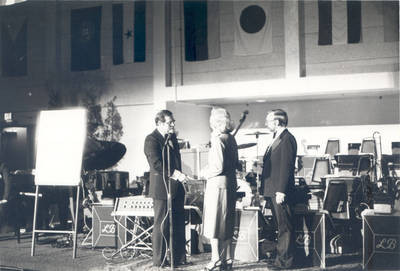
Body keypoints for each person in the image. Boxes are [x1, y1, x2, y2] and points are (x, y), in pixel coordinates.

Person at [144, 110, 187, 268]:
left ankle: (178, 258)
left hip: (176, 187)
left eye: (173, 121)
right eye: (170, 122)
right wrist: (175, 174)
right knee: (162, 224)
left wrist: (180, 176)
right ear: (159, 123)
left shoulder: (172, 138)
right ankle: (160, 260)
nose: (173, 124)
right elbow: (156, 163)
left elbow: (176, 161)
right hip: (162, 189)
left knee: (177, 222)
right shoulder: (151, 139)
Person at [202, 108, 239, 271]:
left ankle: (216, 259)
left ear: (214, 122)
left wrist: (204, 173)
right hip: (230, 184)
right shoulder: (230, 138)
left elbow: (217, 167)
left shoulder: (217, 139)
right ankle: (228, 259)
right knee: (227, 223)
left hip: (217, 185)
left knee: (215, 224)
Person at [260, 109, 297, 270]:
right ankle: (280, 259)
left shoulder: (287, 139)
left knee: (285, 228)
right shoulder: (277, 138)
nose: (266, 124)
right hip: (272, 190)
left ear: (277, 122)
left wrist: (281, 191)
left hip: (280, 191)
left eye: (268, 121)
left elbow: (286, 167)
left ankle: (285, 263)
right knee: (279, 227)